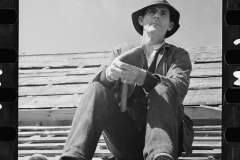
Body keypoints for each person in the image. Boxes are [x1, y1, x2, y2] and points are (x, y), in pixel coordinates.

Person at [29, 0, 194, 160]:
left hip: (166, 141)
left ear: (170, 25)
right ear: (141, 20)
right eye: (152, 12)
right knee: (96, 88)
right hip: (126, 141)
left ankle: (160, 157)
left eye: (163, 13)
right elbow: (95, 93)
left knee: (162, 88)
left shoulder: (178, 55)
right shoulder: (121, 51)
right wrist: (108, 74)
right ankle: (74, 156)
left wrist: (145, 78)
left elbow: (179, 87)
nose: (157, 16)